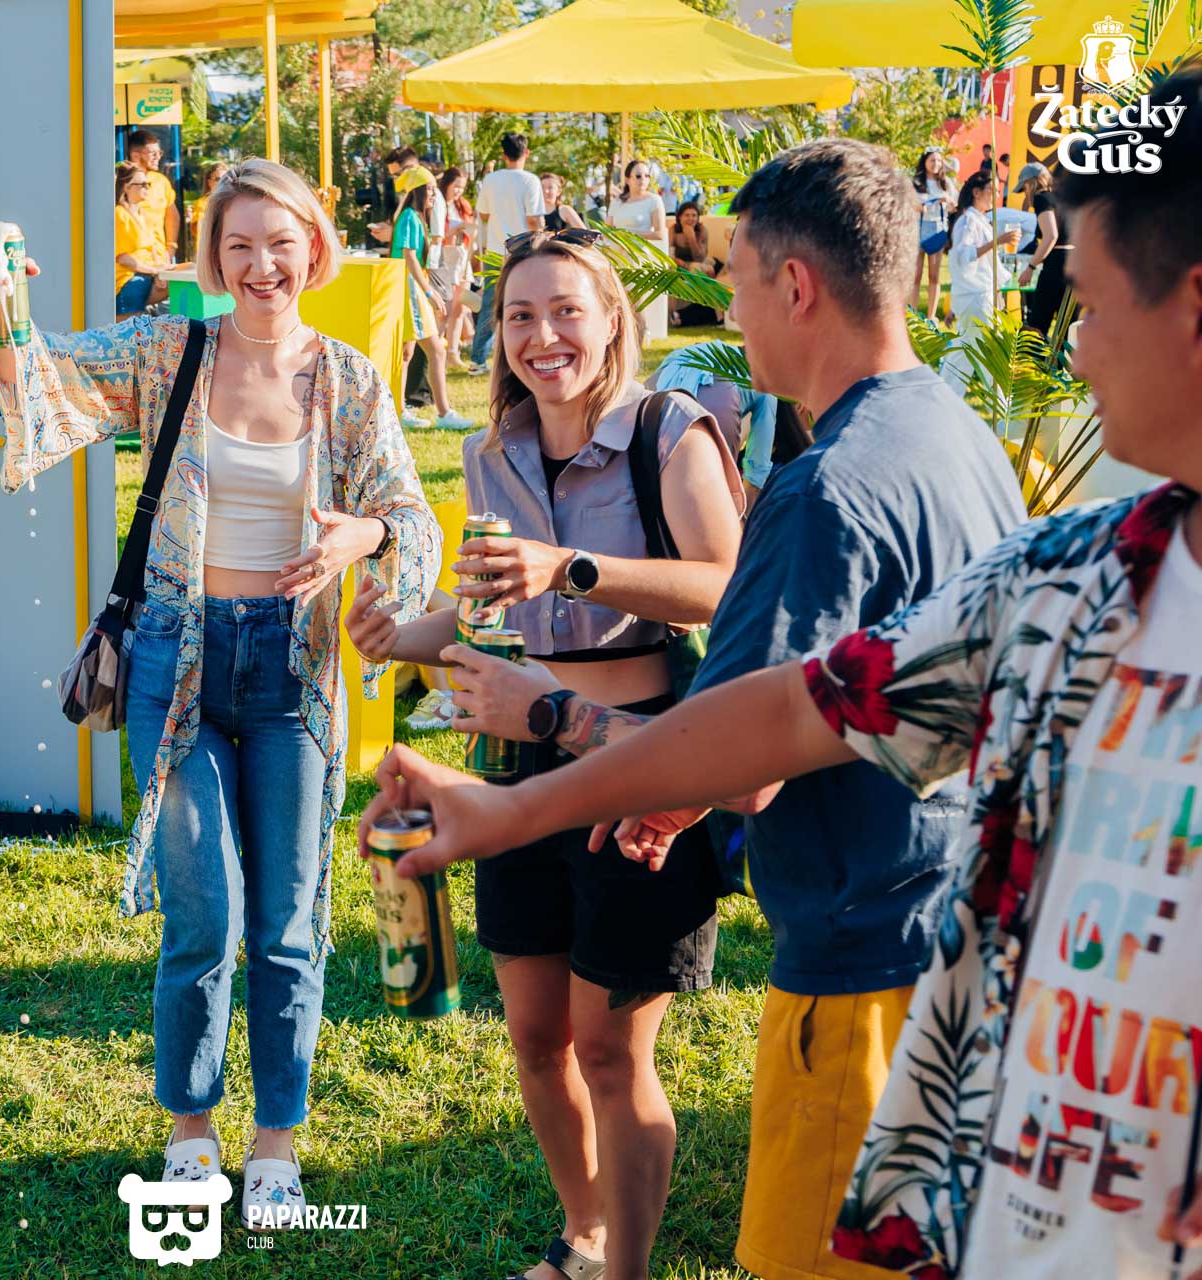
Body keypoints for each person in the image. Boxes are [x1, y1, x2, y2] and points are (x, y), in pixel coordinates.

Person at [369, 70, 1202, 1280]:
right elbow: (805, 706)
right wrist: (522, 800)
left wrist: (546, 736)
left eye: (1089, 292)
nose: (1072, 336)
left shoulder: (830, 488)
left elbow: (755, 751)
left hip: (871, 959)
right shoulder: (1053, 524)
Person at [0, 157, 438, 1227]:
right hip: (174, 659)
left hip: (294, 675)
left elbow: (409, 516)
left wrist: (362, 535)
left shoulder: (350, 379)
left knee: (286, 921)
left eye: (282, 243)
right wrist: (4, 314)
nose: (263, 264)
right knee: (202, 916)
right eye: (239, 245)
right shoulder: (170, 348)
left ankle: (276, 1140)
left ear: (315, 250)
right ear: (214, 259)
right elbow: (46, 383)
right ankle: (190, 1128)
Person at [347, 227, 747, 1280]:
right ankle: (585, 1235)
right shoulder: (495, 451)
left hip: (640, 757)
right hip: (517, 763)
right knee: (535, 1038)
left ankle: (628, 1271)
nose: (542, 335)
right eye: (520, 315)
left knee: (611, 1049)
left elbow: (723, 584)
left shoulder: (668, 431)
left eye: (567, 310)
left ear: (612, 319)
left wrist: (571, 566)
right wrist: (401, 636)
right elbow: (493, 610)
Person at [648, 341, 810, 503]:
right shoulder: (765, 387)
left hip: (657, 390)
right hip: (709, 405)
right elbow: (755, 475)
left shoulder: (705, 354)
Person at [389, 182, 467, 431]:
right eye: (430, 189)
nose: (434, 194)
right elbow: (409, 256)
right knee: (436, 351)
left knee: (406, 353)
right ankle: (444, 412)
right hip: (410, 289)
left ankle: (399, 410)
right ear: (417, 190)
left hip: (407, 288)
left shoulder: (411, 216)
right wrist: (429, 292)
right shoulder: (410, 217)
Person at [471, 132, 545, 371]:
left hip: (495, 251)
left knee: (490, 305)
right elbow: (534, 220)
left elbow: (483, 214)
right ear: (527, 153)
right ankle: (521, 354)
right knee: (526, 304)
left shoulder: (491, 180)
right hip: (522, 252)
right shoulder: (530, 181)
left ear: (503, 155)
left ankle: (477, 359)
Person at [943, 171, 1020, 390]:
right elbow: (963, 256)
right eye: (992, 190)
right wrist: (998, 240)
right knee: (989, 355)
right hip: (976, 298)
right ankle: (1000, 406)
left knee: (962, 354)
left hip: (978, 296)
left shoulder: (980, 220)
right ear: (976, 192)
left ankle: (944, 398)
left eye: (998, 191)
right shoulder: (968, 221)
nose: (996, 195)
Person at [608, 160, 669, 340]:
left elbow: (659, 233)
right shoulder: (617, 202)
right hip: (616, 255)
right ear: (628, 179)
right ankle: (620, 340)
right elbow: (608, 228)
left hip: (637, 257)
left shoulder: (653, 200)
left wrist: (630, 235)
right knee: (616, 300)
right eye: (638, 175)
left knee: (636, 301)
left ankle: (640, 338)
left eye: (647, 175)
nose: (643, 179)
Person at [1015, 161, 1073, 337]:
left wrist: (1030, 268)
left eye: (1024, 188)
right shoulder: (1060, 198)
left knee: (1036, 327)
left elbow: (1051, 236)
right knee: (1068, 327)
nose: (1025, 193)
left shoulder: (1041, 199)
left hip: (1055, 265)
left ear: (1030, 183)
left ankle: (1035, 356)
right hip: (1073, 261)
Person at [113, 162, 168, 319]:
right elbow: (123, 258)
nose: (147, 188)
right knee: (131, 330)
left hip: (145, 277)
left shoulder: (143, 214)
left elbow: (152, 249)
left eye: (148, 184)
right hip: (128, 280)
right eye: (142, 184)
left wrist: (159, 272)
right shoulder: (119, 214)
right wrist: (155, 271)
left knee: (180, 283)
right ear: (126, 187)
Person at [912, 149, 958, 320]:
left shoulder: (946, 183)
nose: (936, 164)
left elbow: (955, 205)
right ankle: (913, 315)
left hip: (937, 229)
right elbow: (911, 203)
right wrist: (926, 204)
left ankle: (931, 317)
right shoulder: (916, 182)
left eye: (939, 161)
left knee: (934, 275)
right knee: (915, 275)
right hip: (917, 228)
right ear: (924, 161)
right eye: (932, 160)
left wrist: (950, 203)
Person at [439, 165, 478, 355]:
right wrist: (455, 230)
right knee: (444, 309)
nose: (458, 191)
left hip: (462, 258)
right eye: (455, 186)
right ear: (446, 184)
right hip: (445, 258)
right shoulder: (438, 204)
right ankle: (437, 349)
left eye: (462, 187)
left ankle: (453, 352)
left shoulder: (463, 206)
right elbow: (435, 235)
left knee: (461, 308)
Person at [126, 129, 179, 262]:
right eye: (153, 153)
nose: (158, 157)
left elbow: (172, 215)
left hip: (159, 259)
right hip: (131, 262)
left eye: (159, 153)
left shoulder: (161, 181)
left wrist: (171, 248)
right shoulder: (121, 182)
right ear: (135, 156)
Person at [667, 201, 721, 326]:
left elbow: (700, 257)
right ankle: (675, 314)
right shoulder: (673, 231)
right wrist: (681, 263)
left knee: (699, 268)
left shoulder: (702, 230)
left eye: (694, 215)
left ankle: (692, 313)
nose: (690, 219)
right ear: (679, 217)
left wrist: (691, 237)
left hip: (699, 263)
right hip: (681, 265)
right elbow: (669, 255)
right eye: (687, 215)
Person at [186, 161, 229, 257]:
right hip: (209, 254)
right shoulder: (201, 204)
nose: (222, 182)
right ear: (209, 182)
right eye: (218, 179)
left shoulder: (236, 203)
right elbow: (198, 233)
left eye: (225, 179)